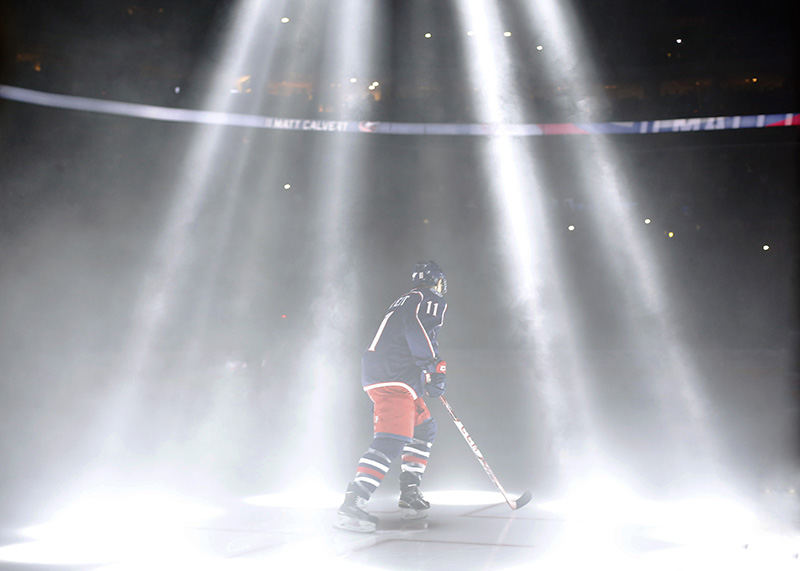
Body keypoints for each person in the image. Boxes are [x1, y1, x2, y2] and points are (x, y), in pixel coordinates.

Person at [335, 261, 448, 532]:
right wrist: (433, 365)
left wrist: (426, 374)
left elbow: (407, 333)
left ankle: (409, 494)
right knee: (391, 440)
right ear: (436, 281)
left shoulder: (406, 299)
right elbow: (417, 330)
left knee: (424, 430)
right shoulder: (428, 297)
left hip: (394, 374)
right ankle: (353, 502)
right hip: (394, 377)